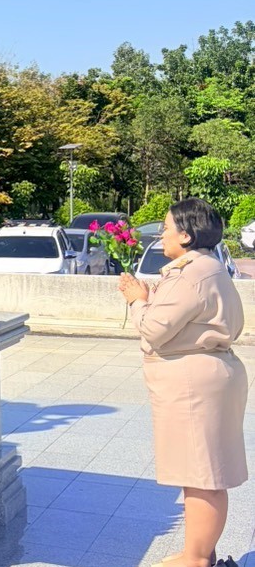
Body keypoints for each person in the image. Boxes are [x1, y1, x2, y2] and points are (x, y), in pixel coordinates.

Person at [117, 198, 247, 567]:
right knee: (201, 472)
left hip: (195, 386)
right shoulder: (206, 267)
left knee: (202, 475)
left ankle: (196, 559)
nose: (161, 235)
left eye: (166, 229)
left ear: (186, 235)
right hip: (204, 378)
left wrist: (137, 300)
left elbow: (153, 329)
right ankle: (199, 550)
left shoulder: (190, 274)